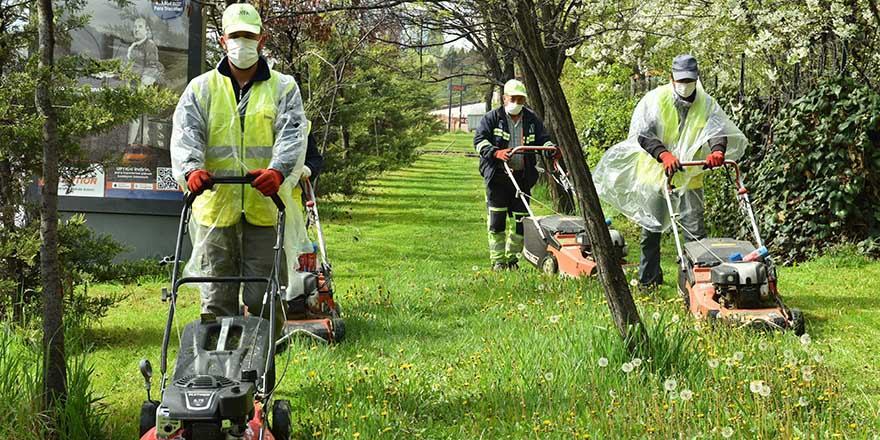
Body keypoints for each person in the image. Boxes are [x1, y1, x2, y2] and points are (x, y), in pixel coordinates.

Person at [170, 3, 308, 331]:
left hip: (265, 205)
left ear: (262, 39)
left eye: (249, 36)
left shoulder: (283, 88)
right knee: (216, 296)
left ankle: (259, 370)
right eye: (235, 35)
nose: (242, 42)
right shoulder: (200, 89)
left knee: (263, 294)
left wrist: (277, 171)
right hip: (215, 207)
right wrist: (192, 170)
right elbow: (186, 134)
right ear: (222, 40)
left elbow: (292, 136)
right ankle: (215, 372)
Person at [593, 54, 748, 290]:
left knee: (695, 235)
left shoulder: (706, 103)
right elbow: (643, 133)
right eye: (681, 80)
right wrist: (664, 154)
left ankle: (693, 284)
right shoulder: (656, 100)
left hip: (690, 176)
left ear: (696, 79)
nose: (685, 85)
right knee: (651, 231)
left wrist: (717, 151)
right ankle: (649, 281)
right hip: (655, 174)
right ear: (671, 78)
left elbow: (717, 129)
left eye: (689, 80)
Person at [473, 79, 553, 272]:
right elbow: (479, 141)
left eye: (521, 99)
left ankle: (511, 259)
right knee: (497, 222)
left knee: (520, 223)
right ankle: (498, 261)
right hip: (498, 178)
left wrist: (550, 149)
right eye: (514, 98)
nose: (517, 103)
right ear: (504, 98)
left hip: (522, 179)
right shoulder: (492, 118)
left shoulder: (532, 119)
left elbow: (544, 139)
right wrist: (496, 153)